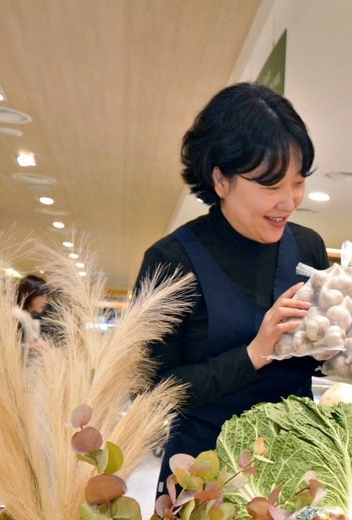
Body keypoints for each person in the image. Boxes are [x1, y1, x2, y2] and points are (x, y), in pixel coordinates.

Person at [134, 82, 327, 495]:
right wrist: (255, 353)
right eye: (271, 186)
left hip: (295, 473)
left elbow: (318, 361)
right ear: (220, 179)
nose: (289, 201)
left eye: (298, 182)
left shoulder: (308, 248)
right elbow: (154, 391)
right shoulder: (171, 262)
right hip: (203, 478)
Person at [14, 274, 51, 356]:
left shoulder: (26, 316)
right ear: (30, 294)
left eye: (46, 296)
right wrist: (32, 347)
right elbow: (7, 347)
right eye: (42, 296)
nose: (45, 301)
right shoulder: (16, 316)